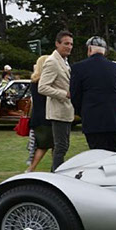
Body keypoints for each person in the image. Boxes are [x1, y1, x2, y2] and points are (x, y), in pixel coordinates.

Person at [70, 36, 116, 153]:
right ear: (104, 51)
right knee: (114, 153)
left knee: (96, 154)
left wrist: (83, 111)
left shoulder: (78, 68)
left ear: (89, 49)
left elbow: (75, 95)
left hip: (92, 119)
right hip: (113, 120)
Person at [38, 30, 74, 171]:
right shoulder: (52, 62)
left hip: (65, 110)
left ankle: (56, 173)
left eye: (71, 44)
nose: (69, 47)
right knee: (61, 146)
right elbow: (42, 87)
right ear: (57, 44)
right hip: (58, 110)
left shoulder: (64, 61)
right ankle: (56, 175)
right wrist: (64, 94)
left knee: (63, 146)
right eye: (66, 43)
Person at [25, 55, 53, 172]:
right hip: (46, 117)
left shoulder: (34, 81)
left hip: (37, 116)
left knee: (47, 145)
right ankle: (31, 168)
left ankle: (56, 166)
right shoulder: (45, 82)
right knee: (45, 146)